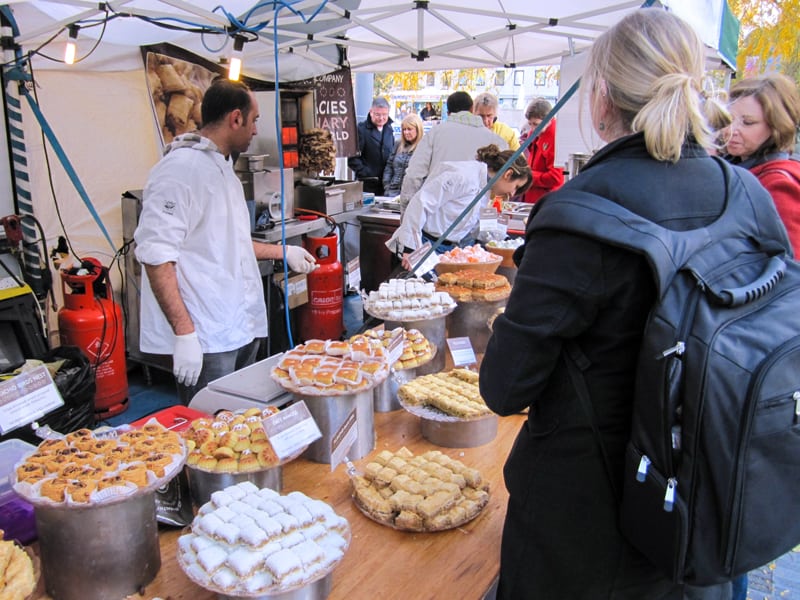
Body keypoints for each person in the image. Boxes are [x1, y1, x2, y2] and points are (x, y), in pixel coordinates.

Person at [479, 9, 788, 599]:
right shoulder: (750, 195)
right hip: (710, 510)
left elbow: (504, 386)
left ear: (600, 99)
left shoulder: (577, 214)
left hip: (586, 537)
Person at [135, 78, 317, 404]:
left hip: (240, 324)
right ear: (236, 118)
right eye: (255, 120)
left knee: (242, 426)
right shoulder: (179, 170)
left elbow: (229, 241)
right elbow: (155, 254)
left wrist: (282, 251)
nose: (256, 130)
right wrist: (184, 332)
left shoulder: (222, 169)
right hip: (206, 337)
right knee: (210, 434)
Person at [387, 144, 531, 270]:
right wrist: (409, 248)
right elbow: (420, 203)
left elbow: (475, 227)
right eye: (516, 187)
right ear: (508, 174)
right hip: (422, 245)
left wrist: (504, 240)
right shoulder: (463, 176)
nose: (512, 193)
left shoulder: (486, 189)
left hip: (446, 249)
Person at [725, 73, 800, 255]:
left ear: (777, 127)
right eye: (728, 119)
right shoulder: (735, 164)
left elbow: (791, 265)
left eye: (748, 122)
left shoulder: (778, 184)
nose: (731, 130)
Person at [400, 91, 506, 206]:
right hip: (472, 214)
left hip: (435, 212)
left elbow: (413, 175)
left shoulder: (434, 134)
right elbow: (504, 181)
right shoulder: (496, 141)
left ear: (448, 112)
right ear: (472, 110)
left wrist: (406, 214)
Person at [520, 97, 564, 203]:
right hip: (532, 196)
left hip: (545, 199)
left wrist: (528, 175)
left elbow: (556, 177)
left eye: (536, 124)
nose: (533, 129)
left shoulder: (556, 137)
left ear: (549, 119)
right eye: (530, 124)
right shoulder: (536, 133)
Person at [348, 97, 395, 195]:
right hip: (367, 185)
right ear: (371, 112)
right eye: (378, 114)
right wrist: (367, 173)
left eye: (384, 115)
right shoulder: (361, 130)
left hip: (386, 185)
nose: (381, 118)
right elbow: (352, 158)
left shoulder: (389, 130)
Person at [382, 113, 425, 197]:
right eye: (404, 129)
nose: (406, 132)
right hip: (392, 193)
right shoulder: (398, 144)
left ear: (417, 129)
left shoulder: (424, 147)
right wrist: (387, 186)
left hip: (412, 196)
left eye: (409, 129)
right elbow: (389, 166)